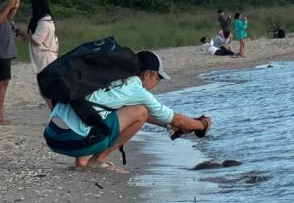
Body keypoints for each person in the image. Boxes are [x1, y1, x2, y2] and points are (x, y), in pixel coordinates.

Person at [44, 51, 211, 173]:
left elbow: (118, 113)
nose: (157, 83)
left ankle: (83, 159)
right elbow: (176, 120)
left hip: (53, 136)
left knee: (103, 111)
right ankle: (98, 160)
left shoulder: (107, 75)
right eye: (158, 78)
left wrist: (167, 125)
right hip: (73, 142)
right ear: (147, 74)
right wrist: (201, 124)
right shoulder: (135, 88)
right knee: (141, 111)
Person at [28, 0, 59, 108]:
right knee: (46, 91)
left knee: (46, 91)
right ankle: (54, 112)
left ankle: (54, 112)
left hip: (46, 60)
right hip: (47, 58)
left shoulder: (44, 23)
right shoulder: (47, 20)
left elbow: (37, 40)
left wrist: (22, 33)